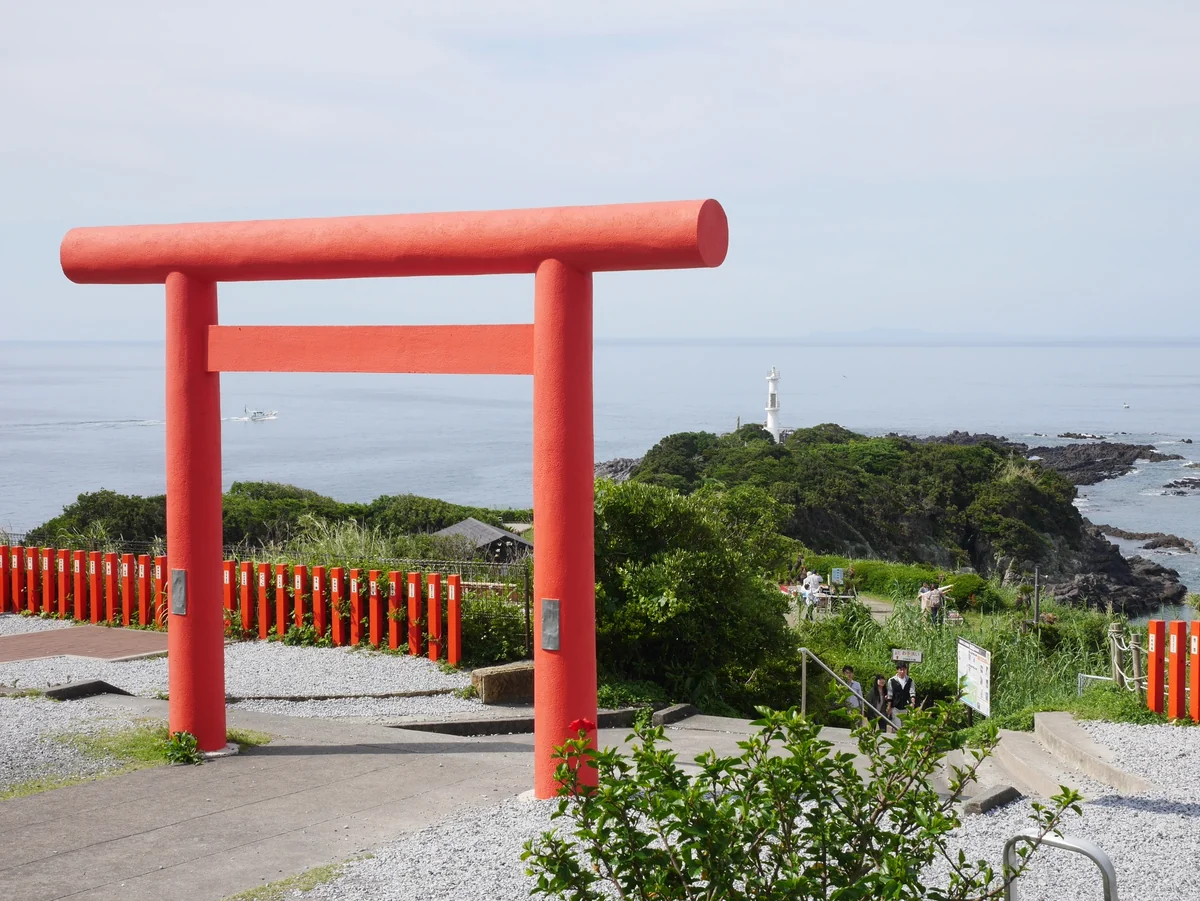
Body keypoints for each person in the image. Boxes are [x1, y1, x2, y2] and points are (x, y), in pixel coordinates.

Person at [886, 662, 916, 732]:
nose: (902, 671)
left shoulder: (910, 680)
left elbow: (912, 692)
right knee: (897, 727)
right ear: (897, 670)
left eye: (904, 669)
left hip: (905, 707)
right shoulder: (892, 680)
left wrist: (912, 703)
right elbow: (890, 694)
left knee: (905, 728)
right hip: (895, 707)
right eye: (900, 669)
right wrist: (889, 707)